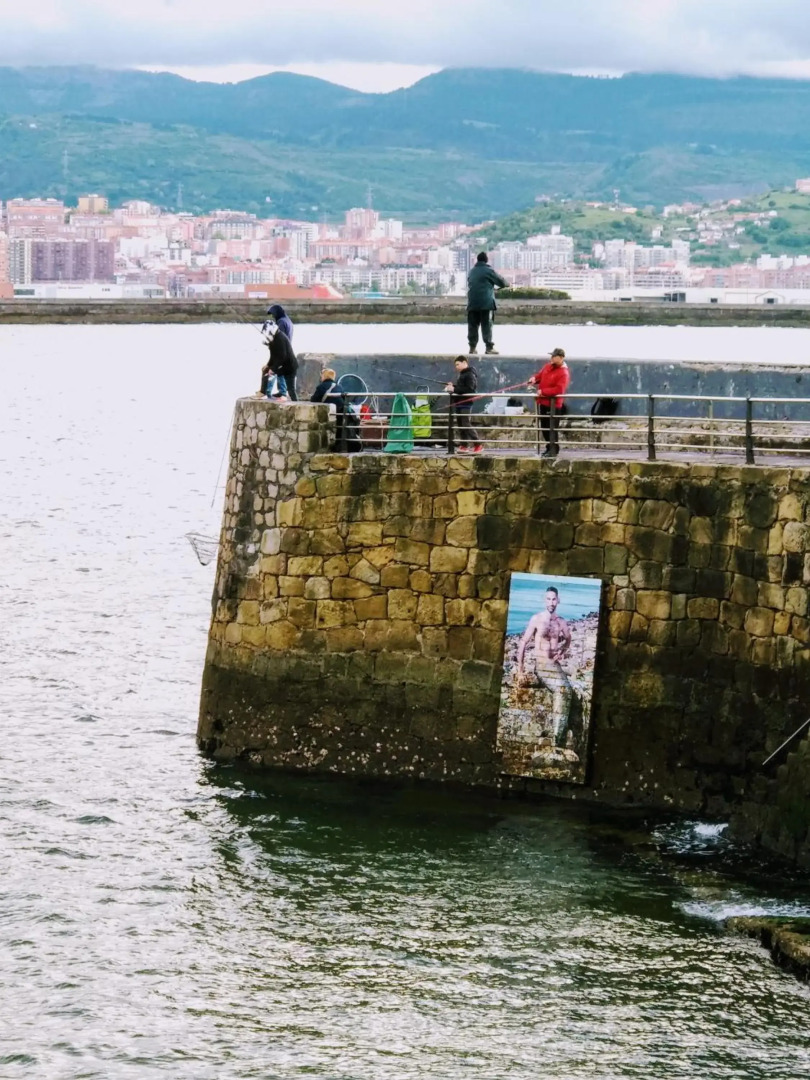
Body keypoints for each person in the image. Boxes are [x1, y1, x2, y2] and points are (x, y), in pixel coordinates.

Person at [516, 586, 573, 748]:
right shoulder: (536, 619)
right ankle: (557, 741)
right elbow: (523, 643)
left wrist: (562, 652)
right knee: (563, 690)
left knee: (567, 690)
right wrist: (520, 671)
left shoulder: (561, 622)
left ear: (558, 600)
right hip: (541, 666)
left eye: (554, 599)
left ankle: (557, 738)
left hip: (554, 666)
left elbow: (568, 639)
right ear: (544, 600)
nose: (551, 602)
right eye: (548, 599)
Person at [528, 348, 570, 457]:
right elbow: (540, 376)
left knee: (552, 428)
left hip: (554, 405)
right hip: (543, 402)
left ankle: (553, 450)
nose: (551, 358)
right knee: (545, 427)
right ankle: (549, 448)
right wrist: (534, 379)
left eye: (554, 356)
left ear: (561, 358)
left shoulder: (563, 373)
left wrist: (544, 392)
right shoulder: (548, 367)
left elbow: (559, 390)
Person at [466, 252, 509, 356]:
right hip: (486, 303)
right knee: (486, 325)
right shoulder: (488, 271)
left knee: (473, 326)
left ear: (477, 260)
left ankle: (472, 348)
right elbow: (503, 283)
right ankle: (489, 347)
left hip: (472, 303)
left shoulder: (471, 272)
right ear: (486, 260)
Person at [310, 368, 361, 451]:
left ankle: (335, 447)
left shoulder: (321, 387)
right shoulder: (338, 387)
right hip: (341, 412)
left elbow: (313, 401)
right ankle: (341, 447)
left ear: (324, 376)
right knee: (341, 431)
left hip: (330, 414)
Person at [445, 355, 482, 454]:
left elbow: (470, 389)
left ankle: (478, 444)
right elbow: (462, 388)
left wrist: (454, 389)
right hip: (459, 403)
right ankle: (464, 446)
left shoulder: (470, 374)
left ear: (464, 363)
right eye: (455, 365)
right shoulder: (462, 374)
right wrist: (453, 387)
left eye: (458, 364)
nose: (456, 367)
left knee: (466, 424)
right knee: (461, 425)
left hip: (466, 403)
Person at [260, 320, 298, 401]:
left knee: (291, 389)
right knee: (265, 371)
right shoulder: (274, 339)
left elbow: (282, 357)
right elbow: (273, 356)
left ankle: (295, 402)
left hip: (290, 366)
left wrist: (273, 369)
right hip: (282, 365)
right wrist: (268, 365)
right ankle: (263, 393)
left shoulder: (280, 338)